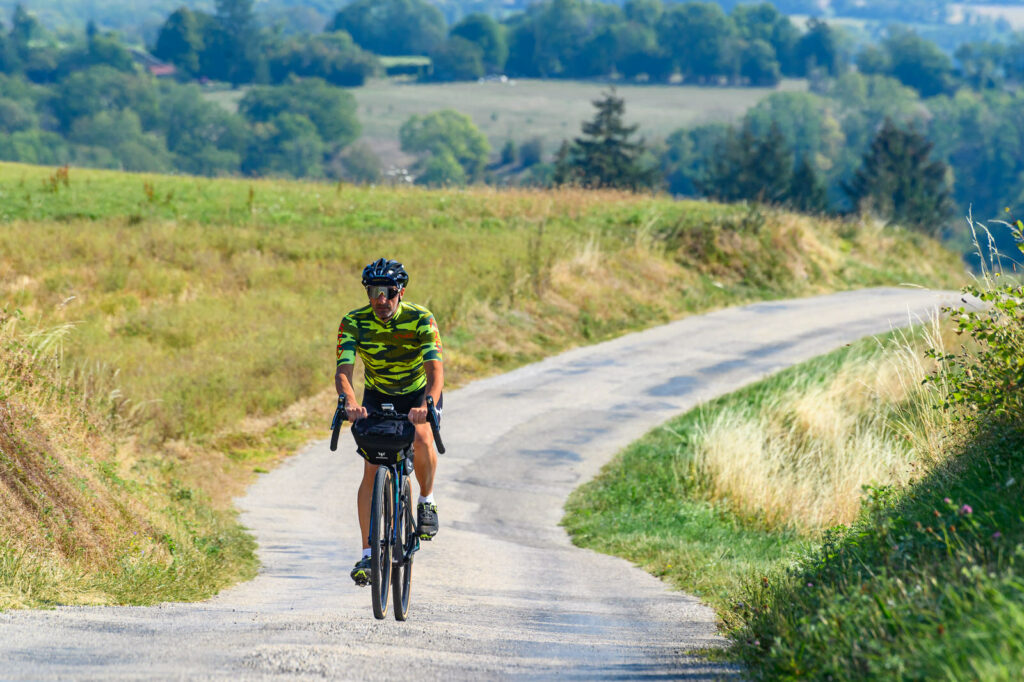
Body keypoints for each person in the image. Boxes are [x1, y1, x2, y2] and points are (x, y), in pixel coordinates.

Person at [335, 258, 444, 586]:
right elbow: (344, 370)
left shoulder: (420, 318)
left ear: (401, 292)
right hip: (377, 395)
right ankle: (369, 555)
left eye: (388, 292)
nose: (381, 299)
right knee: (372, 467)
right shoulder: (354, 321)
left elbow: (435, 371)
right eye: (373, 292)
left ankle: (426, 500)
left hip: (417, 395)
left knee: (422, 439)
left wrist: (428, 405)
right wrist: (350, 402)